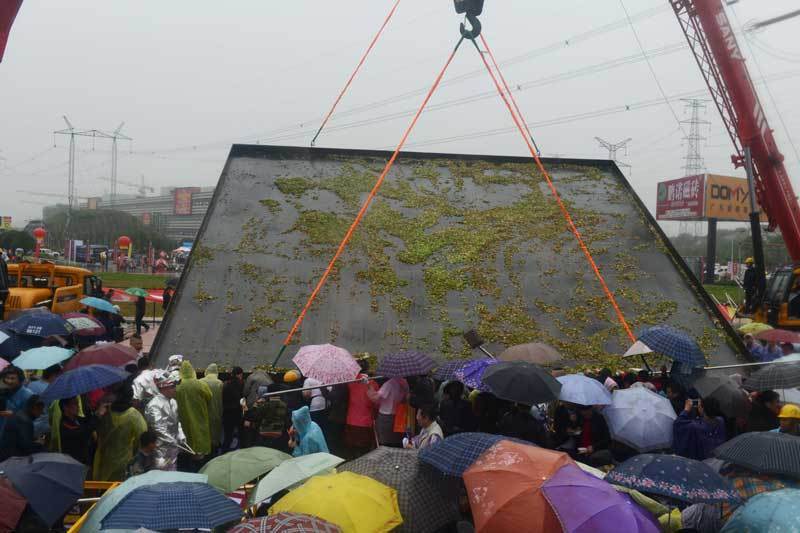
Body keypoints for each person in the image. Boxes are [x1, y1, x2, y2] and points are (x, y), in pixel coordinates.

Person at [94, 384, 148, 481]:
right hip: (124, 462)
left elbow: (98, 433)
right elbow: (143, 436)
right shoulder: (134, 415)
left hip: (105, 461)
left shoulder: (106, 412)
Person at [145, 370, 186, 471]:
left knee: (172, 470)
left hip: (173, 447)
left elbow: (177, 421)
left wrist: (181, 435)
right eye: (172, 386)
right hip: (160, 448)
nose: (175, 389)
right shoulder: (154, 405)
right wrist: (173, 440)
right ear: (164, 388)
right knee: (160, 473)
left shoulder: (173, 402)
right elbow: (158, 428)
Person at [175, 360, 212, 459]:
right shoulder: (200, 384)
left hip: (183, 417)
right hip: (199, 415)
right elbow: (209, 396)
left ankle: (186, 456)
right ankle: (199, 459)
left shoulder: (177, 385)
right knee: (199, 436)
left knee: (186, 436)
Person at [673, 397, 727, 461]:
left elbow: (678, 424)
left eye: (699, 406)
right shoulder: (721, 421)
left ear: (702, 409)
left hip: (702, 460)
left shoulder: (695, 427)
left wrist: (686, 409)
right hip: (717, 458)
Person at [344, 362, 378, 458]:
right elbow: (375, 403)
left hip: (351, 420)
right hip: (365, 422)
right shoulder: (373, 383)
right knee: (365, 452)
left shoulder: (350, 381)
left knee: (352, 451)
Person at [59, 396, 103, 466]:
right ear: (65, 407)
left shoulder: (76, 419)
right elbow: (84, 432)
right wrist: (97, 416)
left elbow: (87, 421)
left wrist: (91, 409)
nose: (78, 406)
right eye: (75, 403)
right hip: (75, 462)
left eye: (77, 403)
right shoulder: (65, 425)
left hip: (85, 459)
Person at [0, 395, 45, 460]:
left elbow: (21, 437)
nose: (41, 413)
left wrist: (35, 440)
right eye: (41, 410)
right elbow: (26, 446)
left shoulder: (20, 414)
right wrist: (39, 444)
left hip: (7, 455)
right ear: (35, 408)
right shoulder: (25, 421)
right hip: (12, 459)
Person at [367, 377, 408, 446]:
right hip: (398, 415)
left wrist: (369, 386)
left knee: (385, 442)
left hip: (386, 416)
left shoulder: (389, 384)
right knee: (396, 441)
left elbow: (375, 398)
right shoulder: (404, 383)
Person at [247, 385, 289, 452]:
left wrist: (255, 406)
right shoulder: (284, 405)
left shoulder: (265, 405)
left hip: (265, 434)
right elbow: (286, 420)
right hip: (279, 433)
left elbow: (255, 417)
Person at [0, 366, 34, 440]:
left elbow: (33, 417)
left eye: (12, 378)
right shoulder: (4, 391)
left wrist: (14, 414)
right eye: (7, 378)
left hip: (17, 436)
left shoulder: (28, 396)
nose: (9, 381)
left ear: (20, 380)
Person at [200, 363, 224, 452]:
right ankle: (214, 448)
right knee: (215, 431)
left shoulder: (200, 382)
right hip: (216, 410)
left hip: (203, 411)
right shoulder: (219, 383)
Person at [222, 366, 245, 452]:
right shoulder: (241, 383)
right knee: (241, 435)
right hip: (237, 412)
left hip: (227, 413)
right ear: (240, 374)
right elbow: (243, 398)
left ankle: (224, 452)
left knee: (228, 436)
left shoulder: (225, 384)